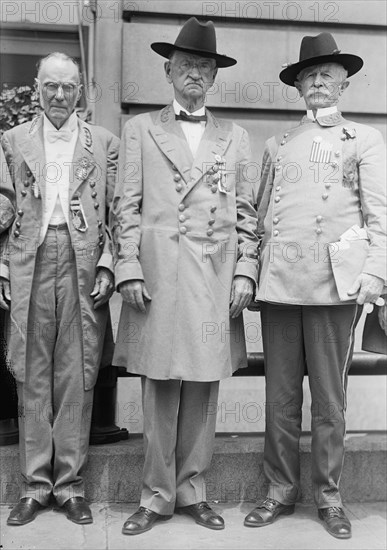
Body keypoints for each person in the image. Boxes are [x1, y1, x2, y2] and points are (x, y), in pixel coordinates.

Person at [111, 17, 258, 535]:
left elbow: (248, 216)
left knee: (202, 386)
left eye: (205, 66)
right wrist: (127, 265)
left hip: (214, 278)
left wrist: (245, 272)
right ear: (168, 70)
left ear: (215, 76)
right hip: (157, 277)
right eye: (187, 64)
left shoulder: (235, 138)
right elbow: (125, 206)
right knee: (158, 388)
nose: (195, 73)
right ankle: (155, 497)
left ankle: (194, 490)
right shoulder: (140, 129)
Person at [244, 33, 386, 539]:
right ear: (298, 85)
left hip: (333, 289)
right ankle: (278, 491)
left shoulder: (364, 139)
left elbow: (381, 213)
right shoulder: (277, 145)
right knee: (279, 398)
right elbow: (257, 216)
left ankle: (328, 496)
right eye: (310, 74)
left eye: (328, 73)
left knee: (330, 400)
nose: (319, 80)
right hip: (281, 285)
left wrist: (375, 271)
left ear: (344, 82)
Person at [0, 52, 119, 526]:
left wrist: (110, 263)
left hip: (82, 259)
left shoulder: (103, 142)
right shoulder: (12, 141)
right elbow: (3, 210)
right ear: (36, 86)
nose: (59, 95)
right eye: (50, 85)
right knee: (31, 368)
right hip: (30, 258)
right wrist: (4, 267)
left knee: (77, 366)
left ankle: (69, 485)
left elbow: (118, 212)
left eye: (68, 86)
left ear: (80, 90)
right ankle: (34, 484)